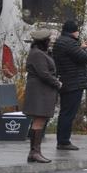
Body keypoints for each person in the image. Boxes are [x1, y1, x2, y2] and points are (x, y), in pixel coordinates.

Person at [51, 20, 87, 151]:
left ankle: (62, 140)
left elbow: (73, 55)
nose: (78, 33)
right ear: (74, 31)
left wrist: (80, 48)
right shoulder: (69, 43)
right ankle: (64, 141)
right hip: (73, 83)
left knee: (65, 112)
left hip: (66, 81)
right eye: (77, 31)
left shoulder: (61, 41)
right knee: (68, 113)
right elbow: (84, 58)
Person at [23, 30, 62, 163]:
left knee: (40, 120)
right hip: (39, 92)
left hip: (42, 91)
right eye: (48, 41)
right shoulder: (37, 54)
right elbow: (44, 74)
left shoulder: (40, 53)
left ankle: (34, 152)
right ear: (43, 41)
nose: (50, 43)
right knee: (39, 120)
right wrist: (57, 83)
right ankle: (35, 152)